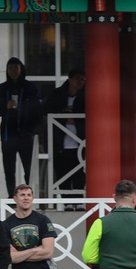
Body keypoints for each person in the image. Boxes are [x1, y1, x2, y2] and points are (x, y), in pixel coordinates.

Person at [0, 57, 43, 198]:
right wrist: (5, 106)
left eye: (16, 68)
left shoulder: (30, 88)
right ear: (7, 70)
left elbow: (38, 109)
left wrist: (33, 129)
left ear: (21, 69)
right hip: (8, 136)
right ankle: (12, 197)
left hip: (25, 135)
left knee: (29, 169)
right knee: (9, 170)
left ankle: (30, 196)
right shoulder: (2, 88)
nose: (13, 71)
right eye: (10, 68)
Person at [44, 69, 86, 207]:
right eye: (77, 78)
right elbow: (46, 110)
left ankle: (79, 201)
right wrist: (63, 117)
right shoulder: (57, 94)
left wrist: (76, 119)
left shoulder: (86, 96)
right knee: (62, 171)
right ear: (70, 79)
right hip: (60, 141)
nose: (80, 82)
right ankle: (67, 201)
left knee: (80, 172)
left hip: (80, 141)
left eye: (83, 79)